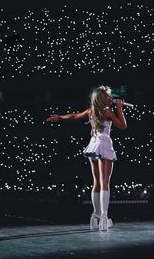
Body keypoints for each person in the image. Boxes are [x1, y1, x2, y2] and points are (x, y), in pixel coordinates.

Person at [46, 85, 127, 231]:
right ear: (103, 99)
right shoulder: (107, 112)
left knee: (96, 181)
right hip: (104, 144)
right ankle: (104, 217)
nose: (111, 98)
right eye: (109, 96)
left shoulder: (91, 111)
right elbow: (122, 126)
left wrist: (59, 117)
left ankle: (95, 217)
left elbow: (74, 116)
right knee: (104, 182)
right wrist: (120, 109)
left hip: (93, 144)